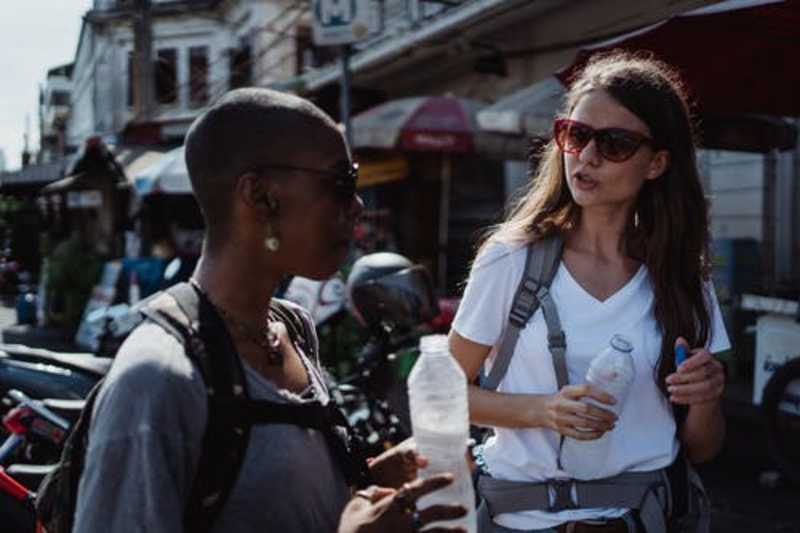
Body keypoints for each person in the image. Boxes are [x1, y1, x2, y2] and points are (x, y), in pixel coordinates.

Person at [73, 88, 466, 533]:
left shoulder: (292, 328)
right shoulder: (157, 379)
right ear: (259, 196)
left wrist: (369, 480)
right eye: (341, 182)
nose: (356, 206)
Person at [449, 51, 730, 532]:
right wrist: (542, 410)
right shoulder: (511, 258)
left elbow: (703, 448)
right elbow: (442, 394)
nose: (587, 156)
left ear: (657, 163)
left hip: (646, 518)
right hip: (523, 520)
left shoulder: (682, 276)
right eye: (576, 135)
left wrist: (705, 397)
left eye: (615, 143)